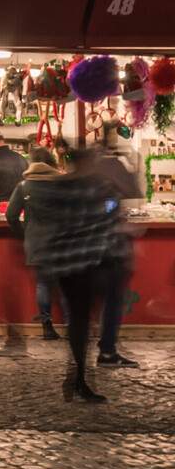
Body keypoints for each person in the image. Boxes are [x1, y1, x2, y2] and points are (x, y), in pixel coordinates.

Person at [29, 147, 125, 403]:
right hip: (92, 262)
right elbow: (112, 215)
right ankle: (80, 377)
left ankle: (78, 373)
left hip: (64, 264)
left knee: (77, 320)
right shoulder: (99, 187)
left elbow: (44, 218)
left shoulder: (59, 186)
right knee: (86, 321)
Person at [0, 147, 63, 357]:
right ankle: (74, 326)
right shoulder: (62, 184)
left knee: (42, 283)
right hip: (61, 241)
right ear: (51, 162)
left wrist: (24, 233)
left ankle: (47, 327)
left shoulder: (24, 186)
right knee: (65, 283)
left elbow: (11, 216)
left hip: (36, 242)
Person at [93, 124, 143, 368]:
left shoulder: (91, 166)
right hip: (108, 251)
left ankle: (97, 350)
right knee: (113, 299)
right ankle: (107, 351)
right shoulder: (112, 169)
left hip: (84, 248)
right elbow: (112, 205)